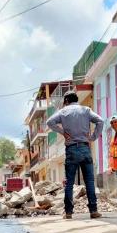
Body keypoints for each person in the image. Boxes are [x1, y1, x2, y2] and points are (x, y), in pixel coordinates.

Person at [46, 91, 104, 219]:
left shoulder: (63, 111)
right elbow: (100, 121)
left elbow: (50, 122)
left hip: (71, 148)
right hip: (85, 147)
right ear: (76, 99)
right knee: (89, 181)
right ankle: (93, 210)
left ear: (66, 100)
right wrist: (93, 137)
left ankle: (68, 212)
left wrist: (62, 132)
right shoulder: (86, 110)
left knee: (69, 182)